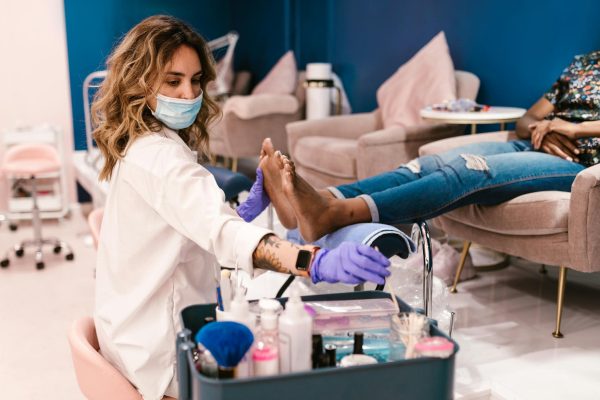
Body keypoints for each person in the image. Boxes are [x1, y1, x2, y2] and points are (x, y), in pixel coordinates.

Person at [91, 15, 391, 400]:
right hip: (158, 361)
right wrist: (313, 261)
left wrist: (243, 213)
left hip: (125, 339)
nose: (188, 93)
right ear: (139, 81)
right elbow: (219, 231)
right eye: (172, 80)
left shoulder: (140, 145)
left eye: (196, 80)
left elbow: (185, 223)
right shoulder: (160, 159)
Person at [260, 50, 600, 243]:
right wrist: (543, 126)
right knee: (427, 164)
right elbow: (526, 118)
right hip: (535, 144)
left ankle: (336, 214)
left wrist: (573, 128)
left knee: (470, 171)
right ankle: (323, 198)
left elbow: (568, 127)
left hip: (579, 163)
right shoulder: (584, 65)